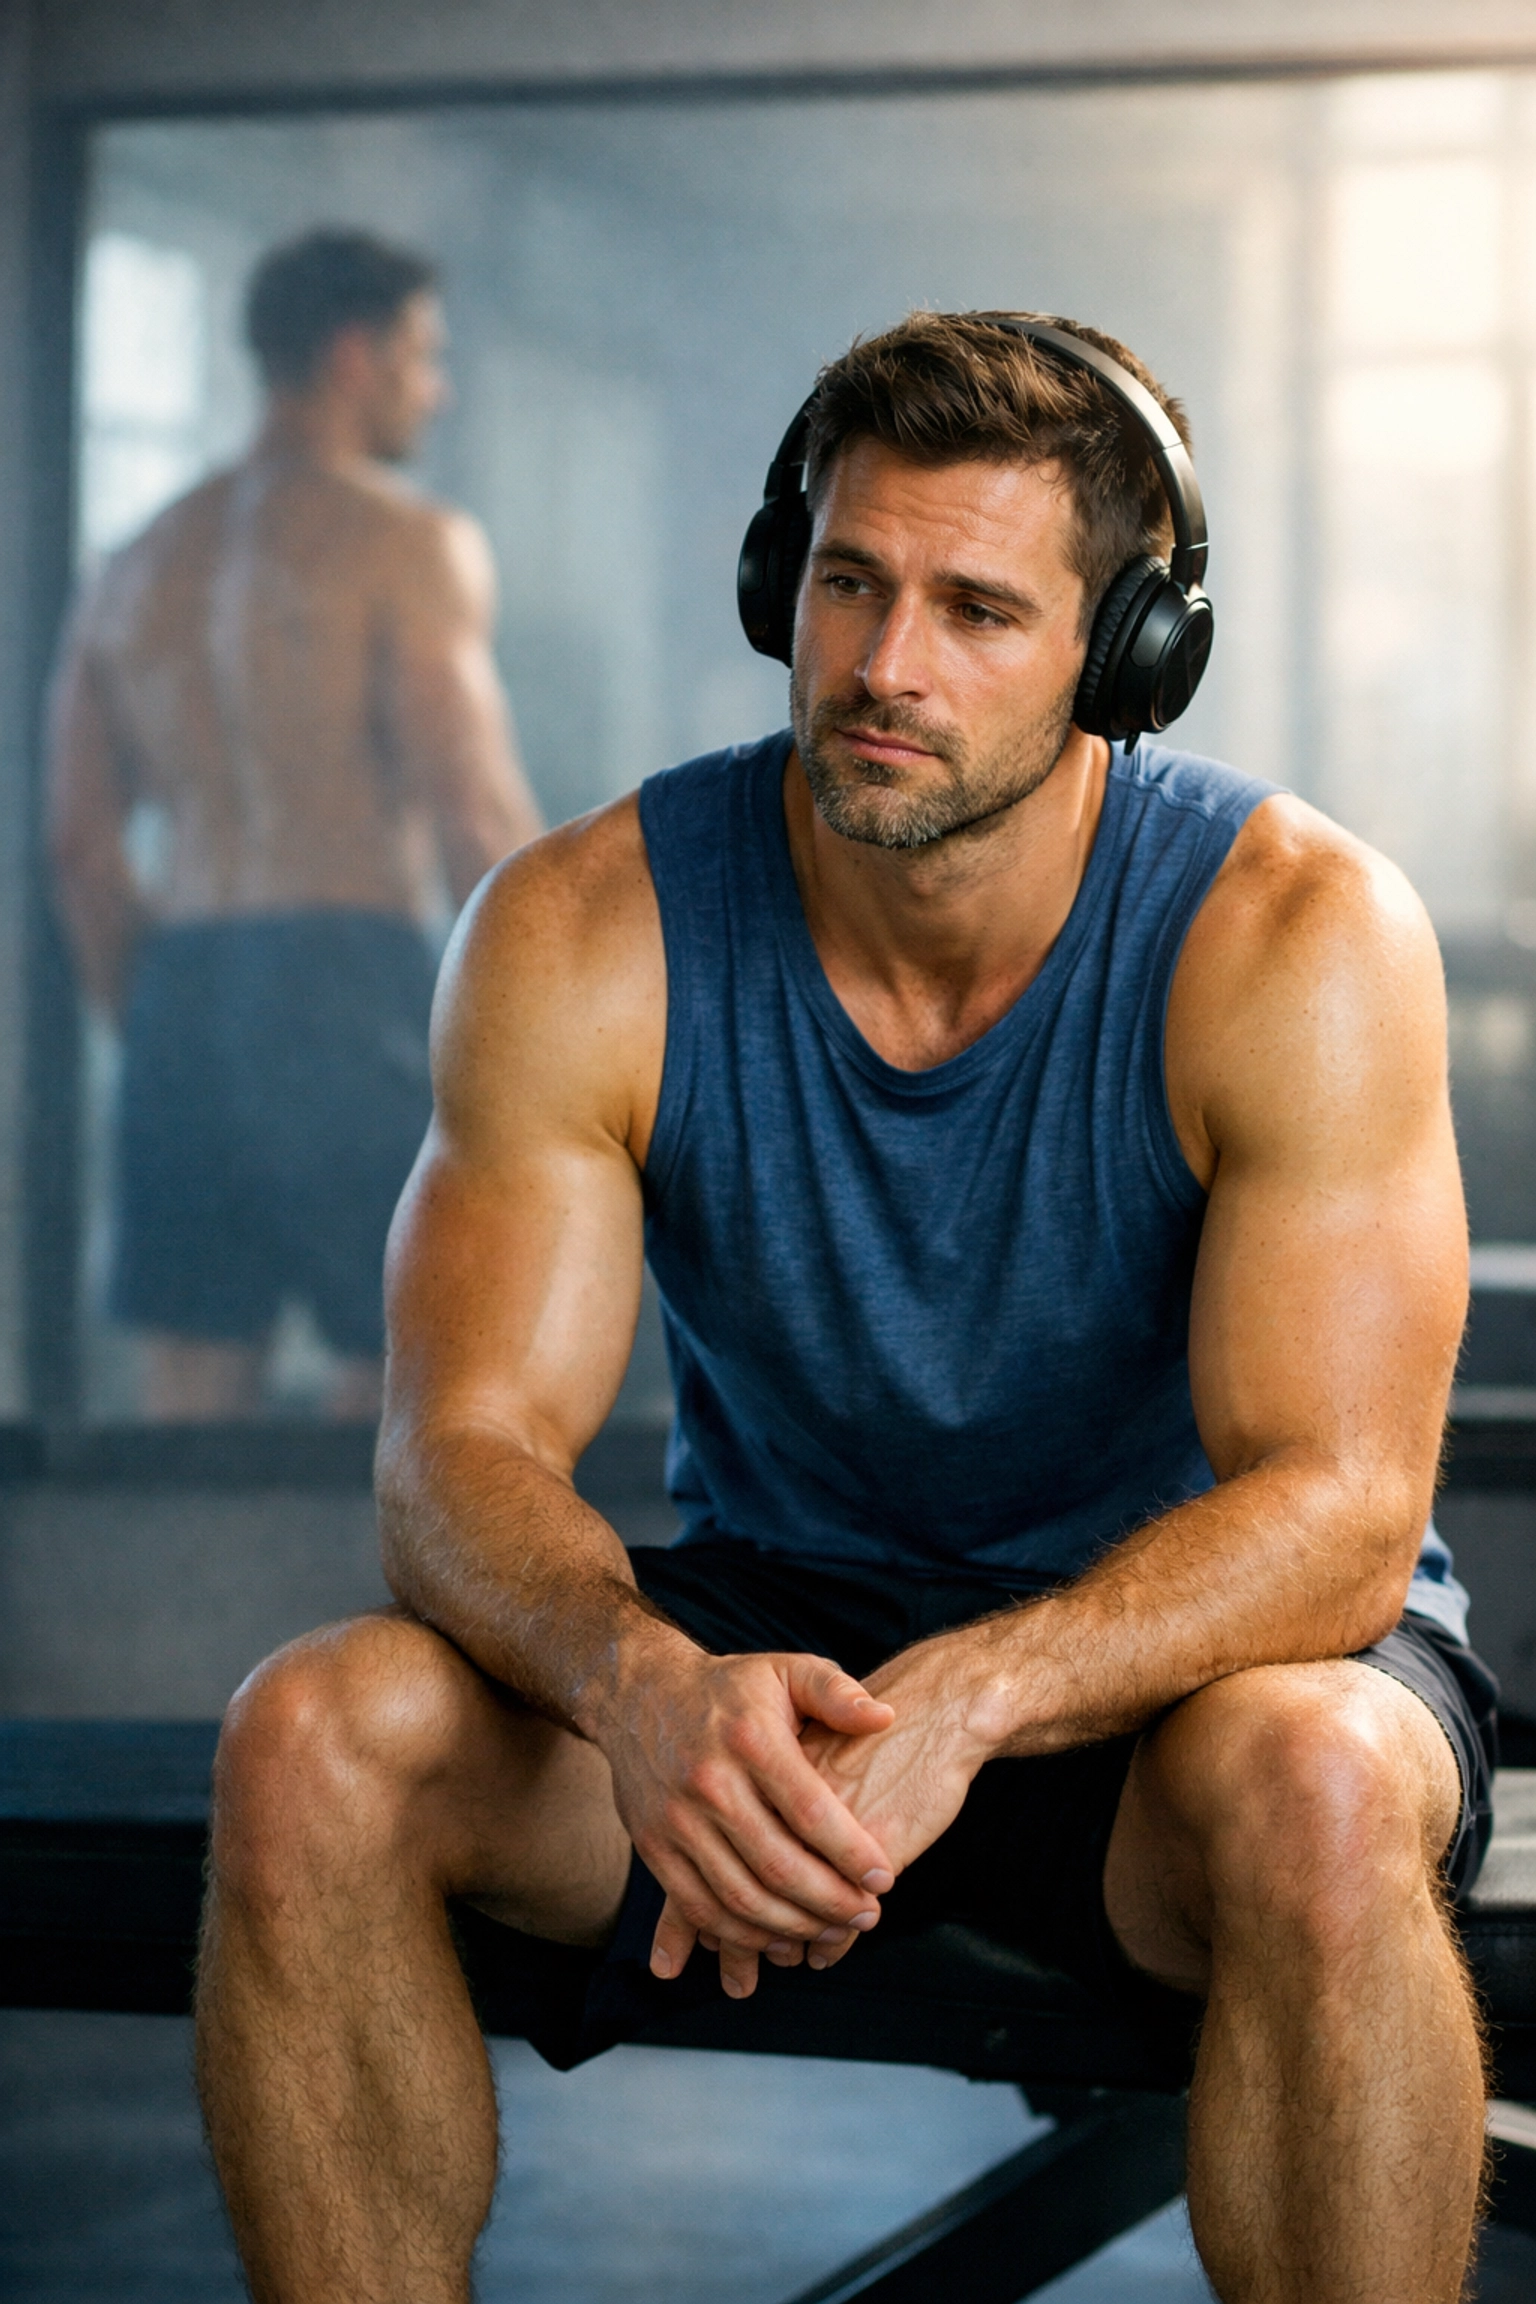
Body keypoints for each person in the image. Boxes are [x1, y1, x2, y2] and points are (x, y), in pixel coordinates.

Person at [195, 311, 1493, 2304]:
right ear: (773, 585)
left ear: (1128, 654)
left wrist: (977, 1695)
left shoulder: (1295, 936)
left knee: (1321, 1783)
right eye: (849, 582)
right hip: (771, 1656)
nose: (887, 664)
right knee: (312, 1738)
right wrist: (641, 1684)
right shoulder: (584, 927)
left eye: (977, 610)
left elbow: (1337, 1514)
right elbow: (452, 1453)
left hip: (1189, 1680)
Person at [48, 228, 543, 1420]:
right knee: (409, 1376)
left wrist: (156, 1023)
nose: (437, 389)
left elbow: (79, 848)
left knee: (189, 1402)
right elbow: (471, 802)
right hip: (346, 978)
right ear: (354, 354)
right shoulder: (404, 540)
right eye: (424, 357)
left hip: (181, 991)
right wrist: (558, 1042)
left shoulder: (132, 566)